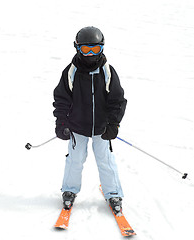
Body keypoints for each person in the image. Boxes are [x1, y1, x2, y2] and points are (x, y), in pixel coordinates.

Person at [52, 26, 127, 213]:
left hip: (102, 129)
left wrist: (113, 123)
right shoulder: (71, 72)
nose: (91, 54)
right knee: (75, 160)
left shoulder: (107, 71)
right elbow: (61, 98)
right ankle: (69, 190)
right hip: (77, 127)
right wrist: (62, 122)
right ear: (77, 48)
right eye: (86, 49)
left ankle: (113, 193)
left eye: (95, 49)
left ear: (102, 48)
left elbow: (117, 100)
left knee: (105, 160)